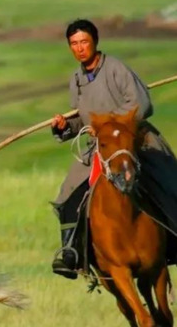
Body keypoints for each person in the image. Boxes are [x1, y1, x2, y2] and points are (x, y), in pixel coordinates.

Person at [50, 19, 177, 279]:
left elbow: (142, 104)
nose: (80, 48)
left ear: (95, 42)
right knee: (68, 193)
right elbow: (82, 120)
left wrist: (110, 124)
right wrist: (64, 126)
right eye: (74, 44)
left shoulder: (117, 69)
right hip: (101, 147)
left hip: (134, 140)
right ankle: (71, 251)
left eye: (84, 42)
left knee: (168, 180)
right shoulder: (76, 79)